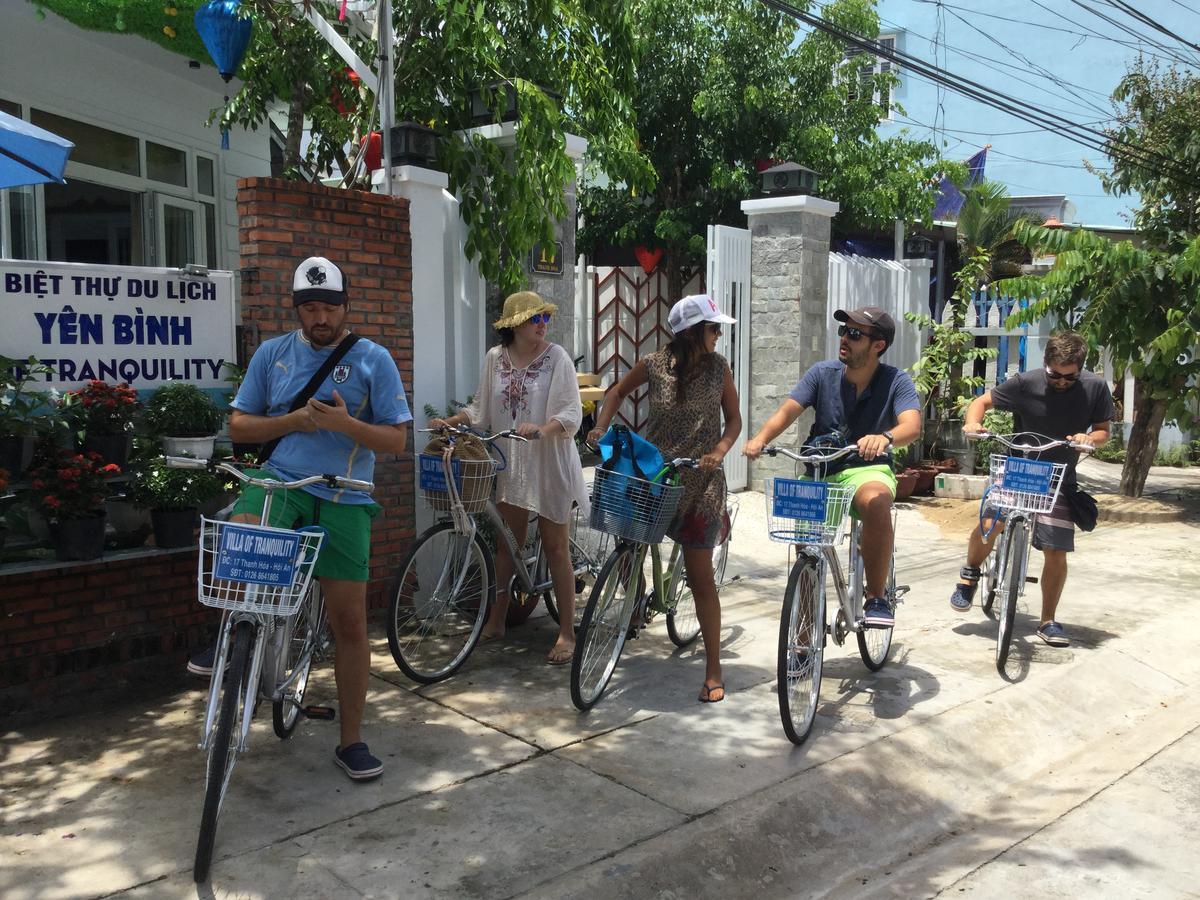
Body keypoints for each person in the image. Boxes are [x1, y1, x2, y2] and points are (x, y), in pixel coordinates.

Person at [189, 256, 412, 782]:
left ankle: (351, 740)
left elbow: (399, 439)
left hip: (344, 497)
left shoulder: (373, 359)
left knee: (351, 625)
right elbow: (240, 427)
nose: (320, 318)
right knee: (240, 533)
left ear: (345, 307)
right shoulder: (273, 354)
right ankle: (231, 636)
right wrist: (296, 420)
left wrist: (346, 424)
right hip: (281, 484)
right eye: (310, 308)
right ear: (297, 310)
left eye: (329, 308)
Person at [588, 294, 742, 703]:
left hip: (702, 481)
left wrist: (719, 452)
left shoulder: (719, 369)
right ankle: (635, 599)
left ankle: (712, 670)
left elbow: (734, 420)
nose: (719, 334)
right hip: (655, 473)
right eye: (713, 328)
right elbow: (616, 393)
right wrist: (602, 428)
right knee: (624, 538)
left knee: (700, 577)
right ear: (692, 333)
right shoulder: (654, 365)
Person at [430, 291, 588, 664]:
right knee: (507, 545)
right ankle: (498, 618)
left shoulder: (557, 359)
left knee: (555, 547)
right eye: (536, 319)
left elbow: (571, 413)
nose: (543, 325)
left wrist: (544, 429)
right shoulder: (494, 359)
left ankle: (567, 632)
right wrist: (450, 423)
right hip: (511, 462)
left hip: (549, 462)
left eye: (545, 319)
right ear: (515, 325)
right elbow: (482, 410)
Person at [743, 306, 921, 628]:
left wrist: (884, 437)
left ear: (877, 345)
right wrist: (760, 439)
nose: (844, 339)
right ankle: (806, 627)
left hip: (866, 467)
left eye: (854, 334)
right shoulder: (821, 374)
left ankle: (877, 597)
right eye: (843, 331)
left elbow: (911, 425)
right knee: (807, 549)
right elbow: (788, 411)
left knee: (876, 502)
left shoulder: (897, 381)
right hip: (820, 467)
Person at [949, 331, 1114, 647]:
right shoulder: (1026, 382)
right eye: (1055, 375)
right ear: (1046, 364)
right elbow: (981, 402)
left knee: (1057, 550)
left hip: (1059, 476)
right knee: (990, 523)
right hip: (1018, 469)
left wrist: (1090, 439)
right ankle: (969, 574)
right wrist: (972, 423)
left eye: (1070, 377)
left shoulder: (1094, 387)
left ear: (1080, 368)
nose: (1062, 381)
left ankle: (1048, 621)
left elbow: (1104, 430)